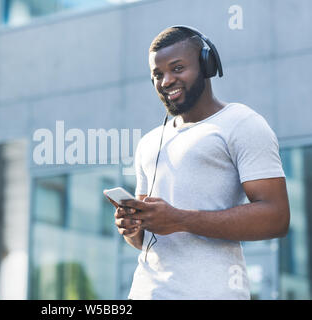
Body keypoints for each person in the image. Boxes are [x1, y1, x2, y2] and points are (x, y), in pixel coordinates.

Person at [107, 26, 290, 299]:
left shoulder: (242, 123)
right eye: (157, 74)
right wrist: (131, 228)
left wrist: (181, 219)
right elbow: (145, 237)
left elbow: (276, 217)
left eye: (177, 68)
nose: (166, 80)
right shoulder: (148, 142)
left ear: (206, 64)